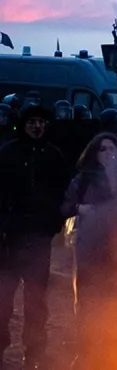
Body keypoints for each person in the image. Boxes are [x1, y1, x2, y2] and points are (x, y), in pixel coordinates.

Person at [0, 105, 70, 367]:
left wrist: (54, 222)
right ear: (24, 125)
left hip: (39, 238)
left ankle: (35, 353)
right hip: (9, 239)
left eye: (41, 121)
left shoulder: (54, 156)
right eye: (32, 122)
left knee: (36, 301)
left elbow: (64, 193)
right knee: (3, 299)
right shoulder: (7, 154)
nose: (37, 126)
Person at [61, 133, 117, 367]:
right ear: (94, 152)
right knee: (86, 300)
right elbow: (64, 205)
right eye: (103, 149)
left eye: (112, 149)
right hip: (89, 247)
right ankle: (86, 352)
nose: (108, 154)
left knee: (115, 300)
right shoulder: (83, 180)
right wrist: (80, 208)